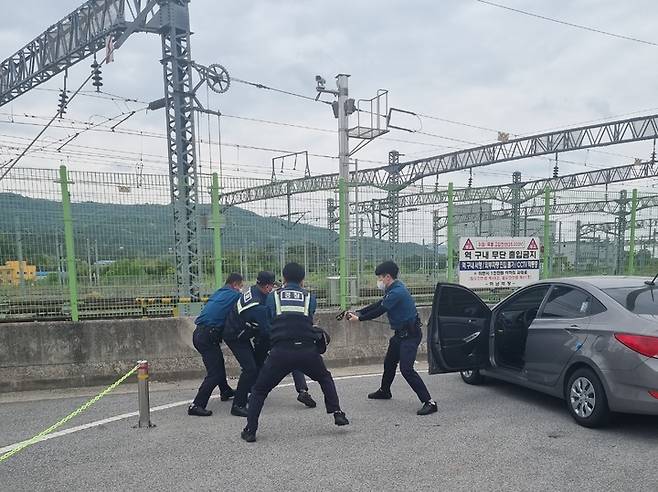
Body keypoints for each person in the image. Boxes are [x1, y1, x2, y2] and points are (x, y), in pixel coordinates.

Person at [241, 263, 349, 442]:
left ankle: (250, 430)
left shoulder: (273, 297)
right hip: (307, 350)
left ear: (283, 279)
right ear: (303, 280)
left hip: (280, 351)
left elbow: (270, 319)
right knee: (324, 377)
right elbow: (308, 318)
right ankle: (337, 412)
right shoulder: (309, 297)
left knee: (259, 390)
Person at [346, 260, 437, 416]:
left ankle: (429, 402)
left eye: (380, 277)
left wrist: (359, 319)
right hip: (400, 335)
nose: (379, 281)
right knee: (389, 363)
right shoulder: (394, 288)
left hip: (410, 336)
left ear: (387, 277)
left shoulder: (397, 292)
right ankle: (384, 391)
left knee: (406, 369)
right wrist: (359, 312)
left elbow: (380, 309)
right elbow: (379, 303)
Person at [222, 271, 317, 417]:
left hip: (248, 332)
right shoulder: (258, 305)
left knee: (265, 361)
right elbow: (267, 329)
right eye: (272, 286)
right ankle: (238, 405)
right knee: (250, 369)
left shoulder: (256, 291)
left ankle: (255, 391)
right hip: (236, 336)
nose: (273, 289)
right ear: (267, 287)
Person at [188, 273, 243, 417]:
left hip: (200, 333)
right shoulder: (234, 295)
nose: (240, 290)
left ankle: (225, 391)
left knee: (218, 362)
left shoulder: (220, 292)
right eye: (240, 286)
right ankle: (196, 405)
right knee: (215, 373)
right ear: (235, 284)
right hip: (208, 335)